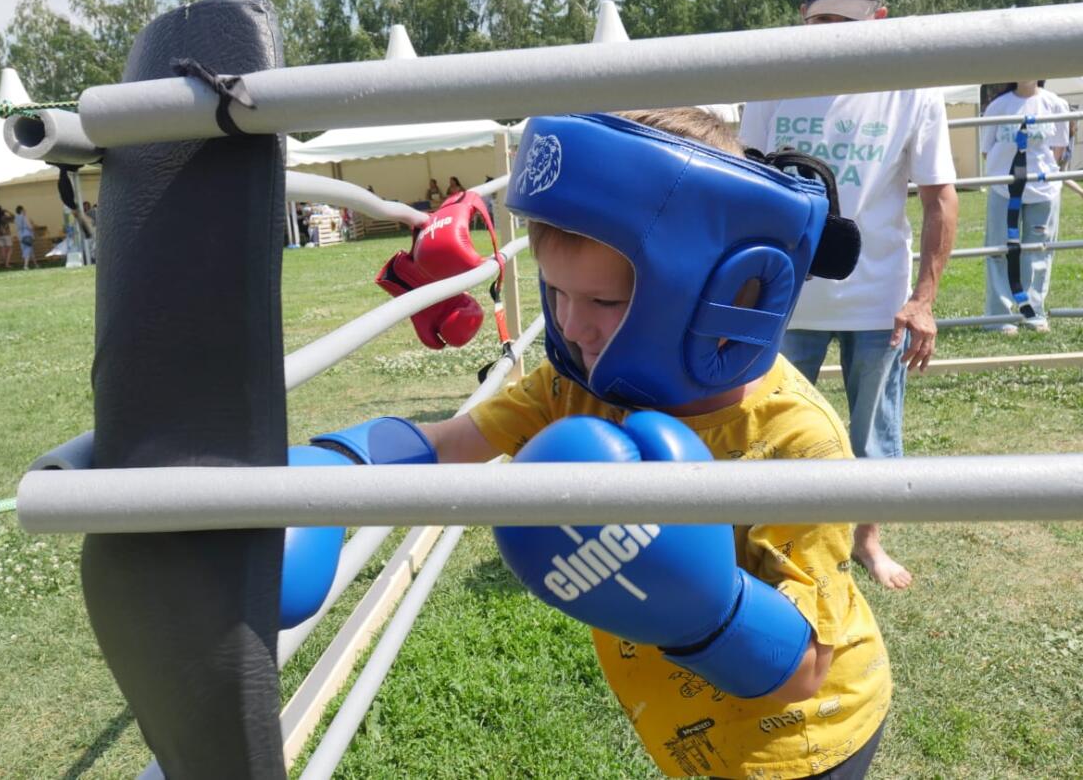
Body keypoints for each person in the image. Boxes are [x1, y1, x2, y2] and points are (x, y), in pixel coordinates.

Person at [321, 108, 889, 778]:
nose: (572, 325)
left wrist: (703, 608)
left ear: (723, 291)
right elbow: (451, 442)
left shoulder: (796, 439)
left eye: (606, 302)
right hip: (695, 742)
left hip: (808, 744)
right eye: (556, 292)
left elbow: (802, 672)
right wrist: (325, 474)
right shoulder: (581, 385)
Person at [740, 0, 959, 591]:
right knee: (770, 424)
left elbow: (939, 197)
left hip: (877, 299)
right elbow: (750, 184)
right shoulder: (772, 77)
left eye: (847, 22)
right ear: (802, 19)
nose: (831, 34)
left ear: (880, 20)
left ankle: (868, 541)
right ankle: (772, 537)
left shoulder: (911, 84)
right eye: (820, 22)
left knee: (876, 436)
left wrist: (923, 299)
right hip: (789, 295)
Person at [980, 80, 1071, 334]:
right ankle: (998, 315)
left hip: (1043, 190)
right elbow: (987, 149)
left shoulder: (1056, 104)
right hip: (1003, 187)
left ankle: (1032, 311)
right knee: (999, 250)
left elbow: (1059, 149)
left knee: (1037, 251)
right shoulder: (998, 106)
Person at [14, 205, 38, 269]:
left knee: (28, 250)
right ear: (21, 211)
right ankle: (25, 265)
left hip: (20, 236)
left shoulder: (16, 218)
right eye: (24, 210)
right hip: (27, 235)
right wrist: (33, 225)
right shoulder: (24, 217)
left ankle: (36, 264)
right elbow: (29, 227)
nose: (25, 211)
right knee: (28, 249)